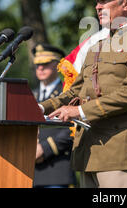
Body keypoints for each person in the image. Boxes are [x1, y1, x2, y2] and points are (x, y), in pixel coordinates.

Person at [39, 0, 127, 188]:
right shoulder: (95, 47)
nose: (98, 6)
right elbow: (74, 92)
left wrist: (80, 111)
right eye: (97, 1)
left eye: (105, 0)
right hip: (87, 152)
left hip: (120, 151)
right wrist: (40, 107)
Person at [32, 43, 76, 188]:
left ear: (57, 64)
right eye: (37, 64)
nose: (40, 68)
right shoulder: (30, 95)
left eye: (45, 63)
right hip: (30, 172)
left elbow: (73, 129)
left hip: (57, 171)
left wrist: (44, 148)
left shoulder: (67, 92)